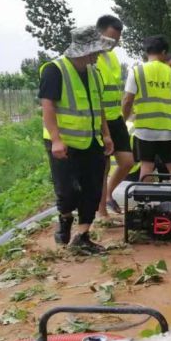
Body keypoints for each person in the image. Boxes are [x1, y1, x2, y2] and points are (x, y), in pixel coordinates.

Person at [39, 26, 115, 253]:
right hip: (65, 143)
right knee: (68, 191)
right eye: (97, 51)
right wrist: (56, 140)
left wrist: (106, 134)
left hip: (91, 141)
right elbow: (48, 106)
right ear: (85, 51)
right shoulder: (55, 70)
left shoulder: (93, 72)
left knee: (92, 189)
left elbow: (97, 105)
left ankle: (82, 237)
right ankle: (65, 219)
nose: (100, 54)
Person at [122, 35, 171, 180]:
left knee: (147, 167)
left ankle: (144, 201)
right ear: (164, 52)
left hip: (144, 130)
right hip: (169, 130)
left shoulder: (136, 72)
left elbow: (127, 101)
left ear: (147, 51)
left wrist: (123, 121)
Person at [95, 15, 133, 216]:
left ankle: (108, 195)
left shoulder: (112, 58)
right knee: (103, 166)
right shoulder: (92, 58)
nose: (113, 44)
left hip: (115, 117)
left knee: (127, 161)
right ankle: (102, 212)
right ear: (98, 33)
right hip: (101, 120)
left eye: (117, 40)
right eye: (110, 39)